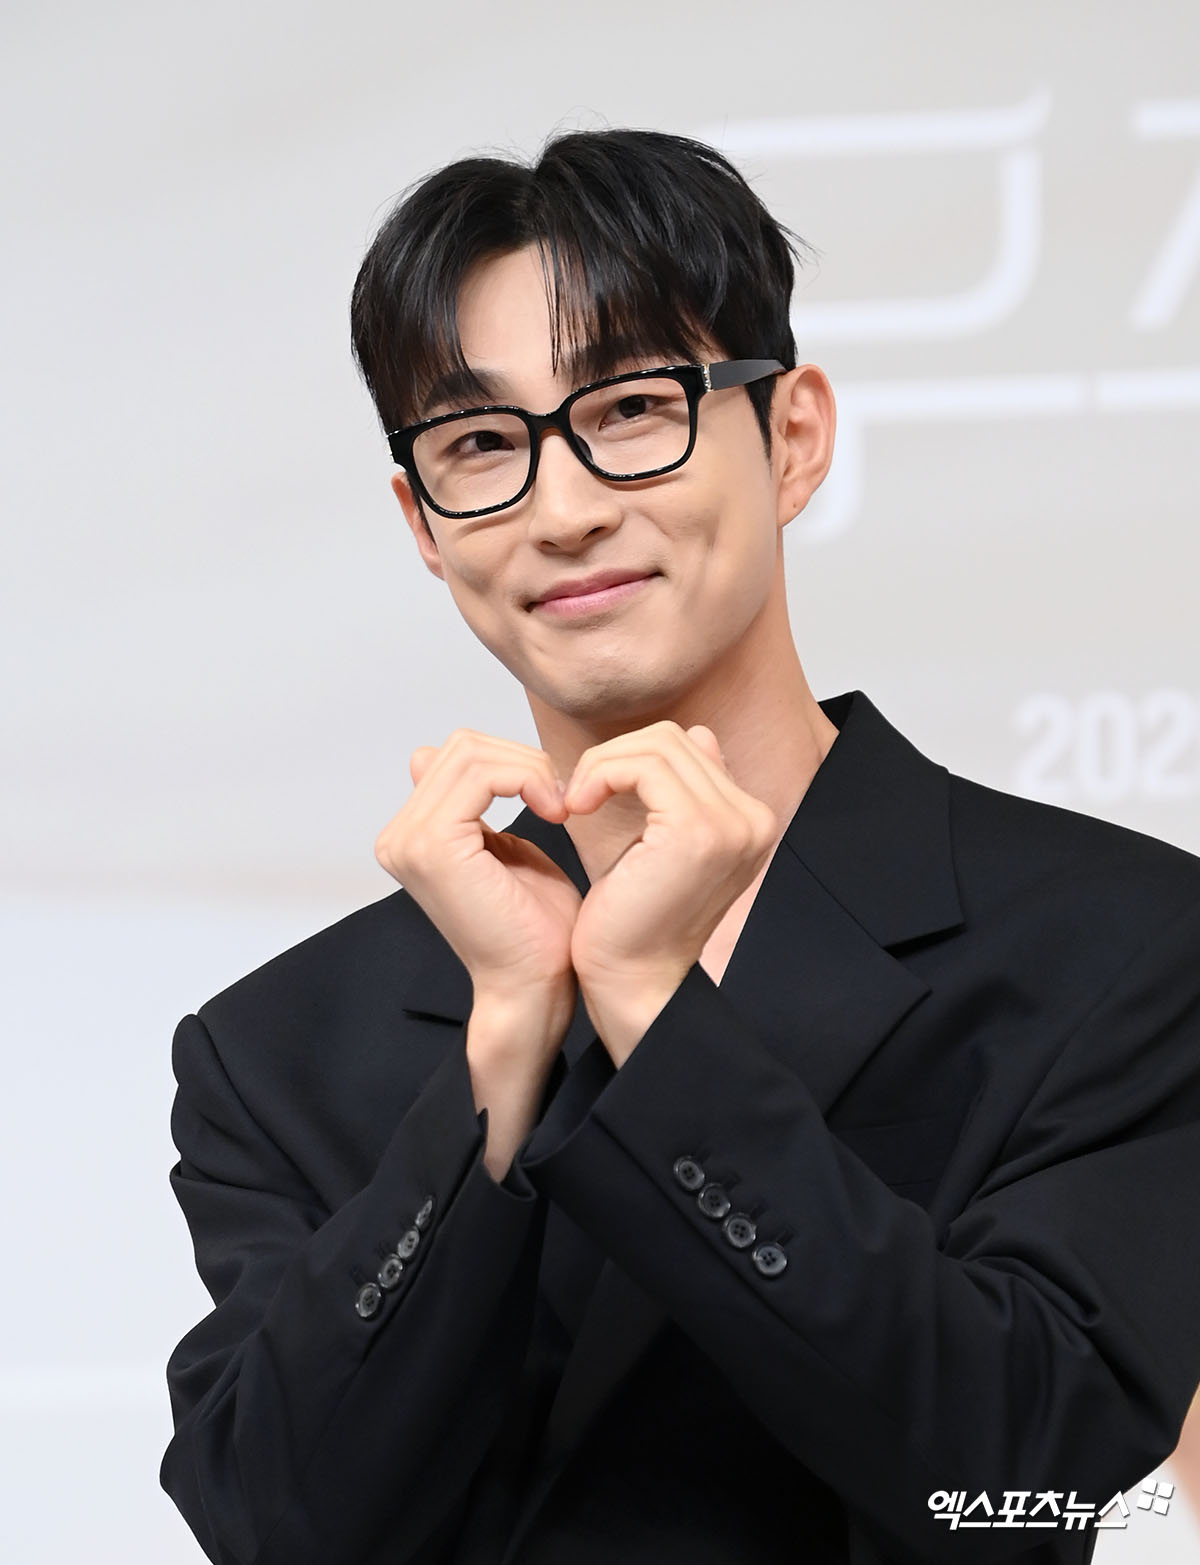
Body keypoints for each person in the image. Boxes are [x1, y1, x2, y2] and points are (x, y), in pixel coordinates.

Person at [160, 128, 1200, 1565]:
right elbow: (282, 1529)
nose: (566, 508)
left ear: (794, 439)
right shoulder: (276, 1050)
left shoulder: (1120, 946)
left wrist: (657, 1018)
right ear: (423, 523)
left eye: (635, 407)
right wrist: (504, 1056)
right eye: (480, 444)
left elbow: (1025, 1481)